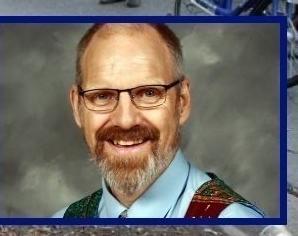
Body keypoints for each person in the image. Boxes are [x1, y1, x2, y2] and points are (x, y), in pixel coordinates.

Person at [54, 23, 265, 218]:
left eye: (148, 93)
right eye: (102, 96)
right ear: (77, 107)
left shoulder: (234, 221)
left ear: (181, 102)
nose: (126, 120)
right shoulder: (64, 218)